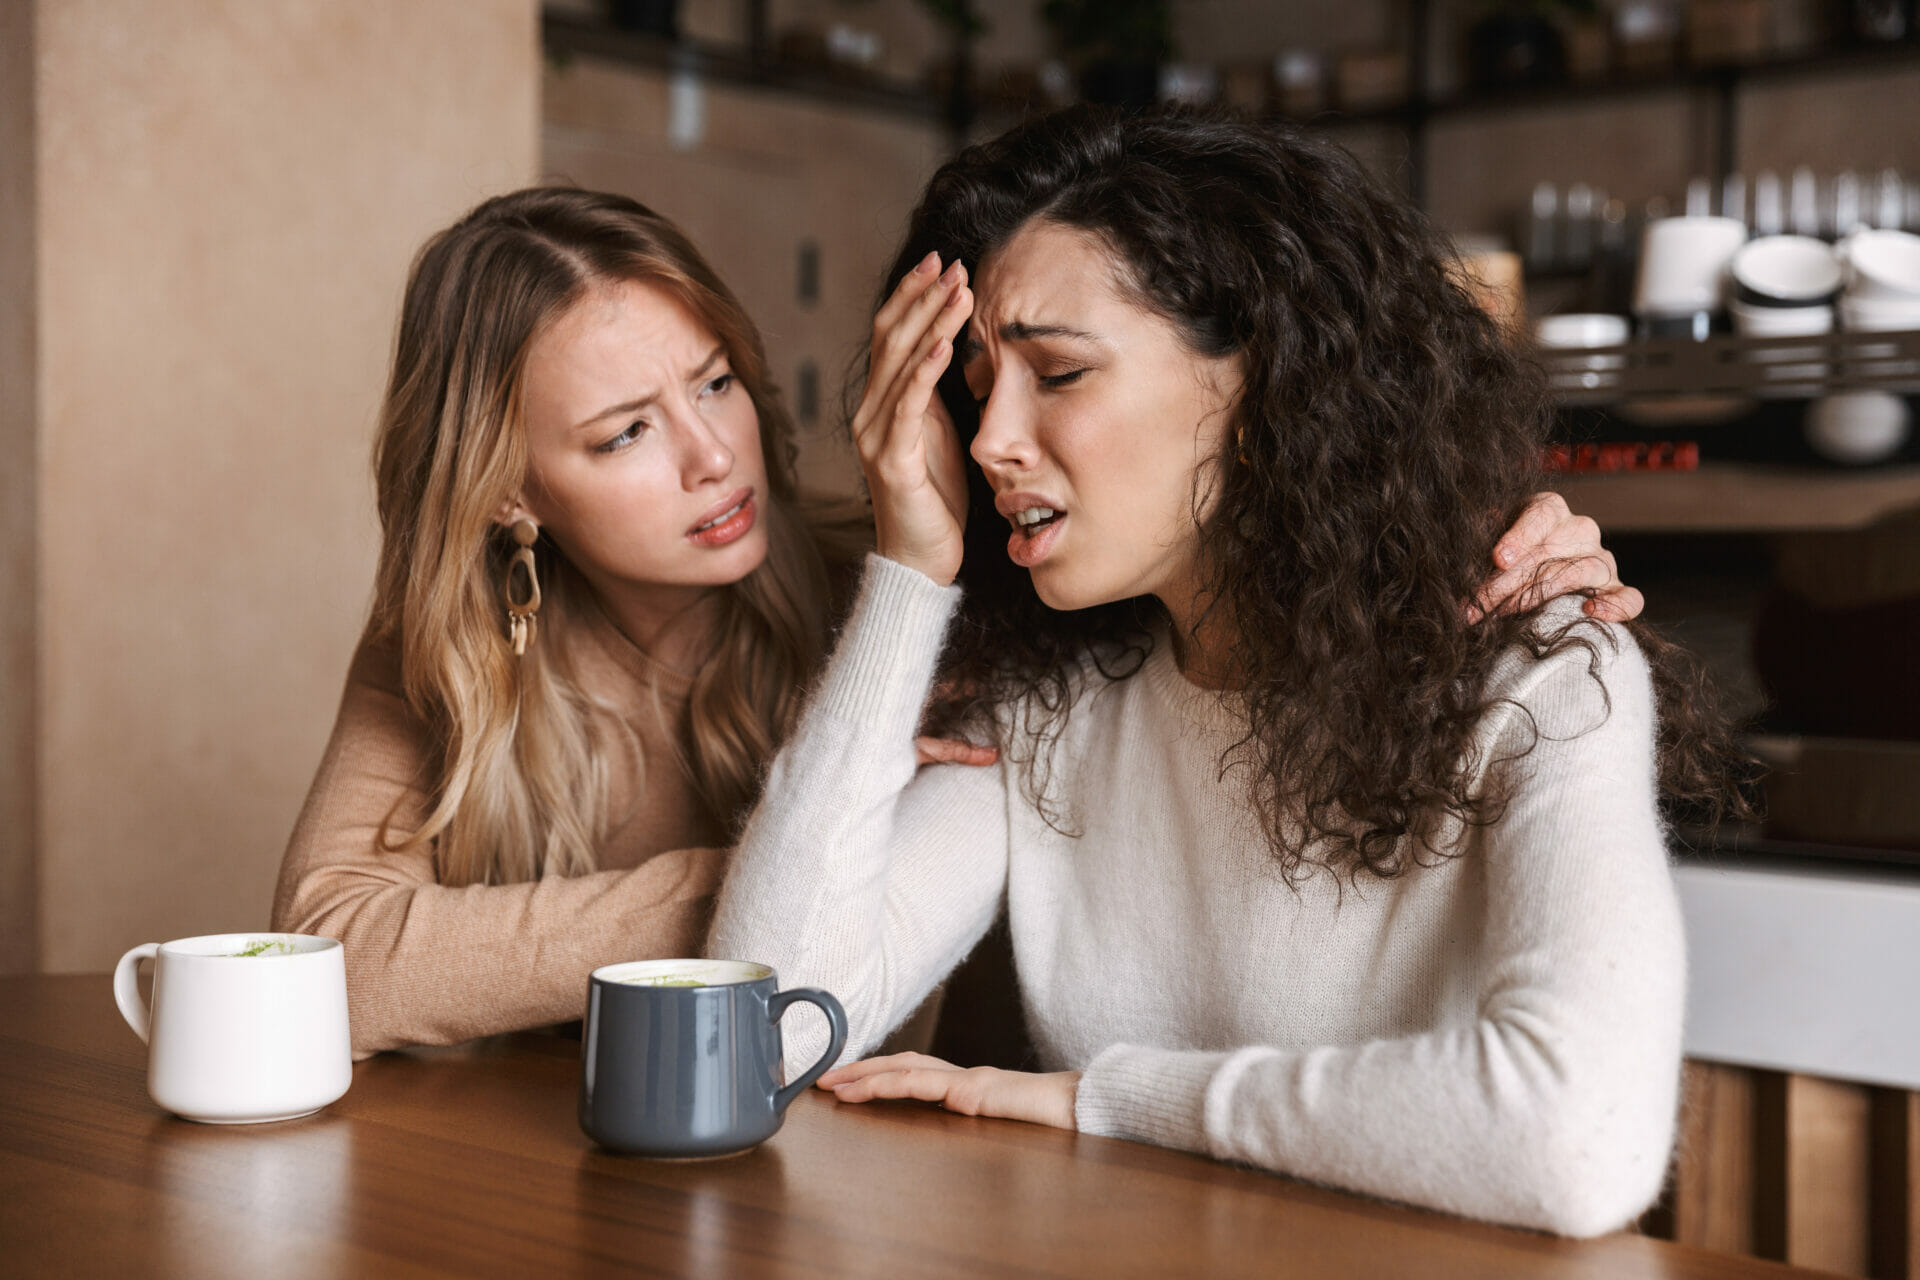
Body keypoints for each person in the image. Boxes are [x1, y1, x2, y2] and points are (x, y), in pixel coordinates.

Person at [273, 184, 1638, 1059]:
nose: (713, 458)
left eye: (718, 384)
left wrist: (1490, 533)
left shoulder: (898, 601)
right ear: (509, 490)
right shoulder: (449, 645)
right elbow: (333, 964)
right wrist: (756, 878)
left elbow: (1209, 536)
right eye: (628, 432)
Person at [707, 107, 1744, 1238]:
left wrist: (1111, 1100)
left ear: (1262, 388)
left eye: (1056, 371)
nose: (990, 434)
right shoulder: (1053, 710)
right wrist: (910, 569)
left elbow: (1578, 1141)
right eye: (975, 380)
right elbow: (758, 1034)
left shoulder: (1541, 671)